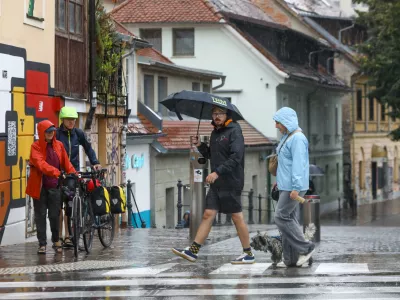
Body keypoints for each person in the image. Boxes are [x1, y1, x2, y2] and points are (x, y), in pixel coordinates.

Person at [172, 106, 254, 264]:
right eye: (214, 113)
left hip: (231, 181)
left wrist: (217, 172)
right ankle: (193, 251)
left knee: (236, 217)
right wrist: (200, 146)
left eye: (220, 113)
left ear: (226, 115)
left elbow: (236, 156)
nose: (217, 116)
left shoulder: (234, 131)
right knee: (208, 214)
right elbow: (213, 154)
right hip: (217, 183)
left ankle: (248, 253)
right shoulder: (215, 132)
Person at [26, 120, 76, 254]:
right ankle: (42, 244)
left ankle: (56, 240)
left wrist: (75, 175)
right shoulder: (35, 147)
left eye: (52, 131)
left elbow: (67, 163)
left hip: (54, 186)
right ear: (42, 132)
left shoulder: (59, 145)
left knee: (54, 215)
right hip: (39, 187)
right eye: (48, 131)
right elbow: (40, 164)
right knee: (40, 215)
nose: (50, 133)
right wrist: (57, 172)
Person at [273, 107, 315, 268]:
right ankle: (291, 259)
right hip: (287, 184)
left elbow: (299, 165)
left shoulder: (297, 138)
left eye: (278, 122)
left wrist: (296, 187)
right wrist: (279, 182)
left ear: (286, 122)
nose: (276, 126)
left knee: (281, 217)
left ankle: (307, 248)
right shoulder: (288, 137)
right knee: (289, 219)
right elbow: (286, 164)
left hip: (293, 186)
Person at [57, 106, 101, 247]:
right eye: (69, 119)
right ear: (62, 120)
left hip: (72, 173)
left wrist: (95, 162)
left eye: (74, 120)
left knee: (70, 205)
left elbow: (88, 148)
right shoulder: (57, 135)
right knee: (58, 206)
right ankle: (59, 237)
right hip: (58, 173)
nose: (71, 122)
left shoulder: (78, 134)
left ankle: (69, 236)